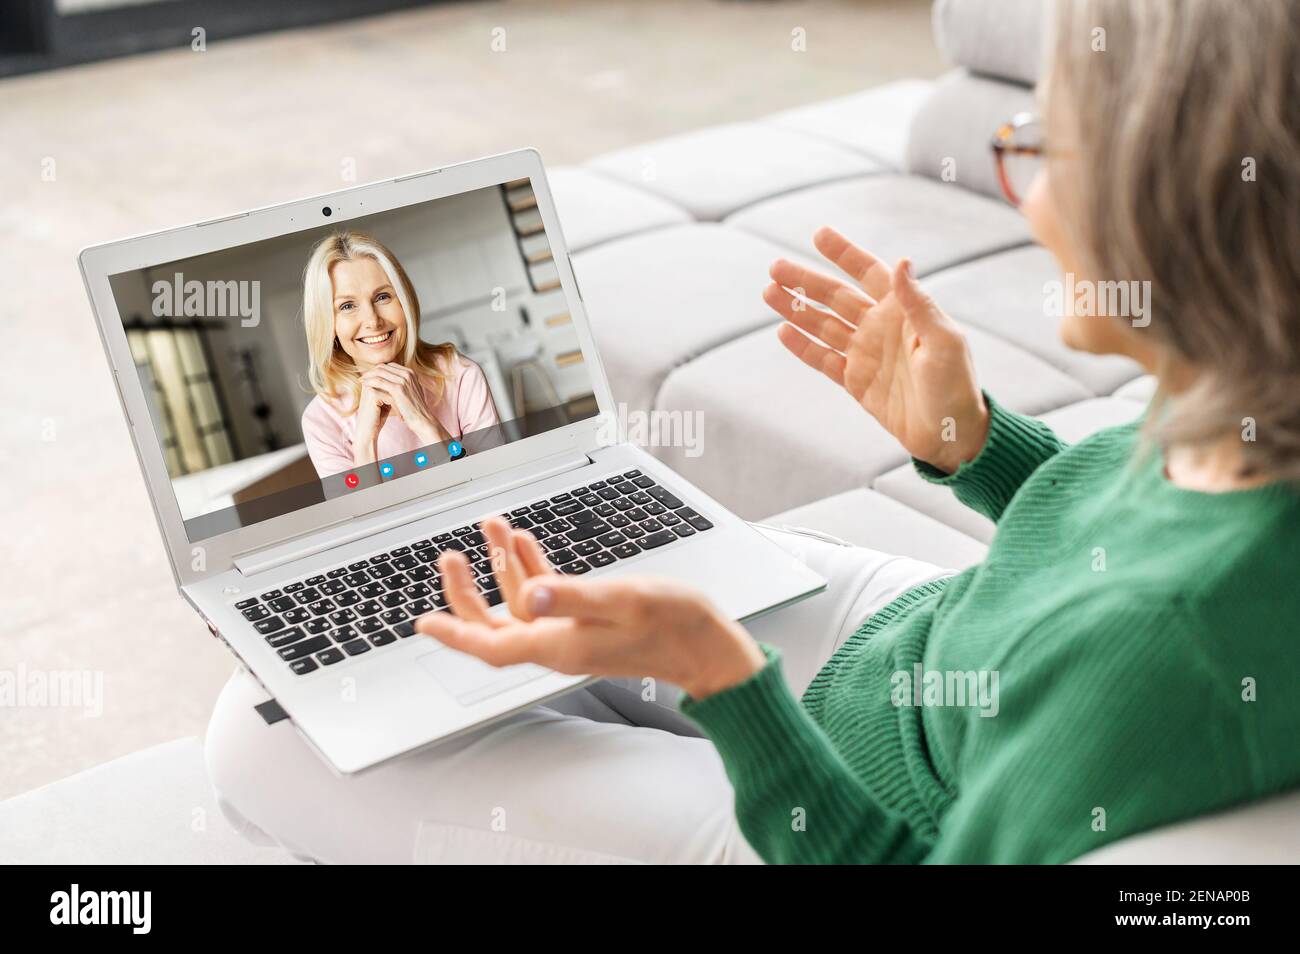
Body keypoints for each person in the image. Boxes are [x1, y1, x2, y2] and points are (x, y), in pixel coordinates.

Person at [206, 0, 1300, 863]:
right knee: (566, 575)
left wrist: (727, 688)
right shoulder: (1248, 419)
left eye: (1047, 145)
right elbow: (1144, 524)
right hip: (929, 641)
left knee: (258, 737)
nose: (1028, 197)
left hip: (846, 806)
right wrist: (977, 443)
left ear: (1174, 192)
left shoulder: (1162, 651)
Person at [299, 230, 499, 479]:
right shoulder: (321, 420)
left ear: (405, 302)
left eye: (382, 297)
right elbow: (364, 517)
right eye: (347, 306)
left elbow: (494, 488)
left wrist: (424, 422)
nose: (372, 321)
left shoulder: (462, 376)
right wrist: (365, 444)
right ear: (327, 324)